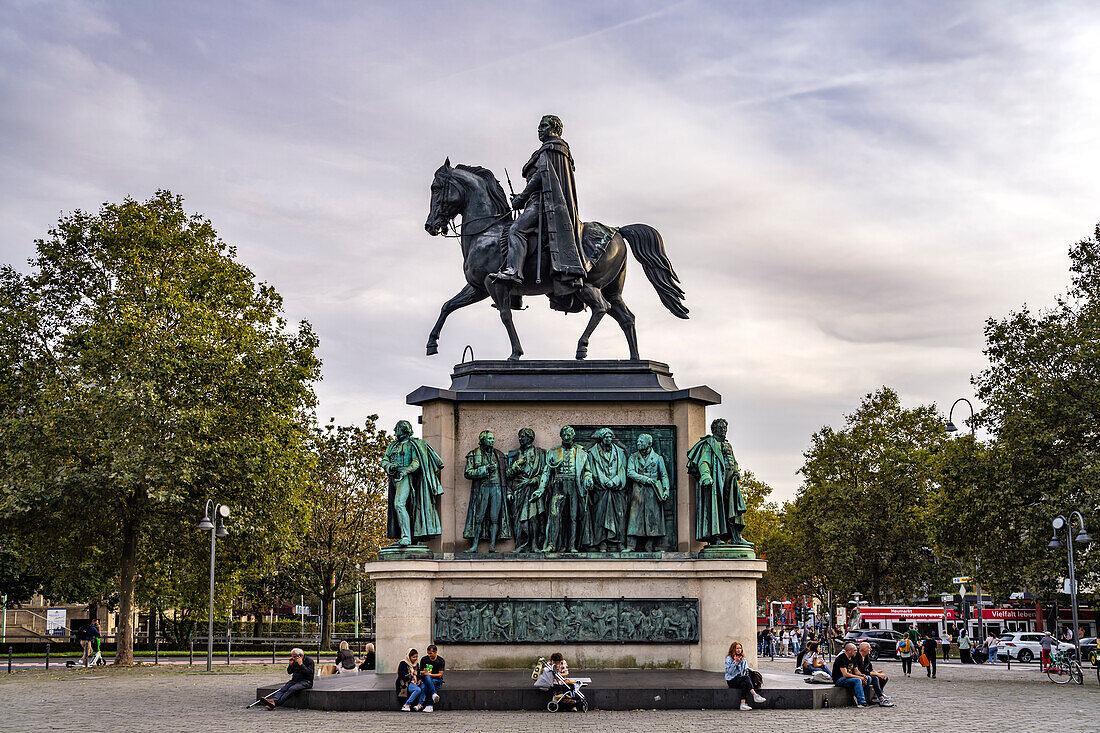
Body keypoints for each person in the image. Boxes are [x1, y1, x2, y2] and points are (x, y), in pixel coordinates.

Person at [491, 115, 586, 289]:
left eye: (543, 126)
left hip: (542, 204)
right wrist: (523, 196)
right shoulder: (554, 149)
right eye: (539, 127)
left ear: (554, 128)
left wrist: (522, 198)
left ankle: (514, 271)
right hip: (538, 200)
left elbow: (541, 177)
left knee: (516, 230)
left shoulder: (552, 148)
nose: (539, 130)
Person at [463, 430, 511, 552]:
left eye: (492, 438)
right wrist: (485, 469)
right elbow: (468, 473)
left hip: (497, 488)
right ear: (482, 440)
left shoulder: (499, 455)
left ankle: (492, 545)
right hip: (482, 488)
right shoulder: (473, 454)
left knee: (495, 518)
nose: (492, 441)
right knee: (479, 518)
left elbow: (507, 475)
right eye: (489, 438)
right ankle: (474, 545)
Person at [725, 642, 766, 711]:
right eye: (737, 648)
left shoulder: (743, 659)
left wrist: (741, 663)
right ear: (733, 649)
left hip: (740, 678)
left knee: (744, 683)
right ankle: (755, 695)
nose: (739, 650)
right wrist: (735, 662)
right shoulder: (729, 658)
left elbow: (744, 671)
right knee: (746, 678)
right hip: (731, 680)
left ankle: (743, 704)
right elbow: (729, 672)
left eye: (740, 648)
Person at [831, 642, 869, 708]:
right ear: (849, 651)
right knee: (857, 680)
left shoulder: (852, 658)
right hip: (840, 679)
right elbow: (845, 674)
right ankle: (861, 702)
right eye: (854, 650)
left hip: (849, 678)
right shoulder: (841, 658)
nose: (856, 652)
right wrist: (859, 677)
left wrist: (862, 675)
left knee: (868, 678)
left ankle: (863, 697)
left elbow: (856, 671)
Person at [857, 642, 893, 706]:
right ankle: (881, 698)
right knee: (875, 678)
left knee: (884, 678)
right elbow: (862, 671)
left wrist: (877, 673)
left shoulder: (866, 656)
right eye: (868, 648)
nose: (870, 649)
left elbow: (870, 668)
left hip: (866, 674)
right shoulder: (857, 657)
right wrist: (876, 674)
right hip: (859, 675)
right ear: (863, 649)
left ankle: (878, 694)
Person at [417, 644, 445, 712]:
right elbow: (420, 672)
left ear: (435, 652)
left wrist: (429, 674)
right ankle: (433, 694)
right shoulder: (424, 659)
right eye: (428, 653)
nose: (429, 655)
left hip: (437, 680)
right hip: (426, 679)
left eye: (430, 653)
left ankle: (424, 705)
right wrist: (424, 672)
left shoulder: (440, 660)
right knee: (427, 680)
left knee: (427, 684)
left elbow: (440, 675)